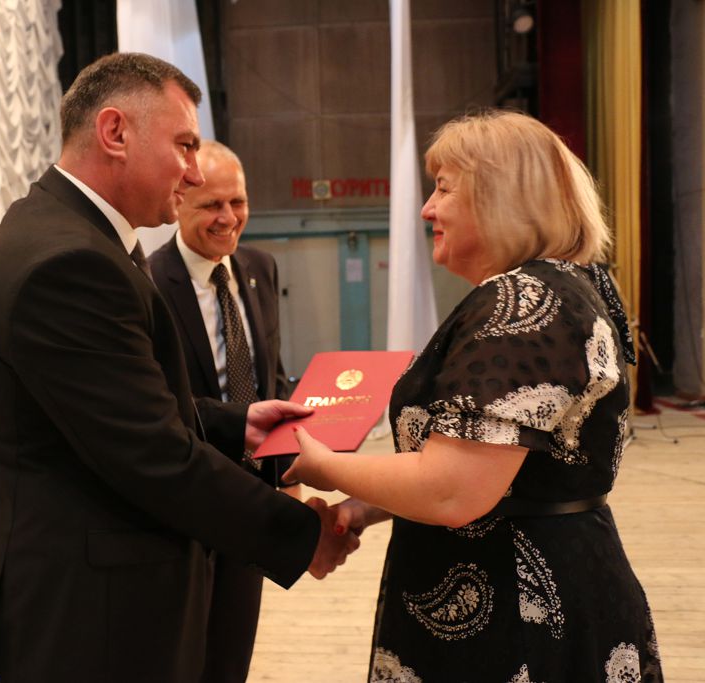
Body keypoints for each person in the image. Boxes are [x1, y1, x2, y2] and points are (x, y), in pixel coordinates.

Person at [0, 52, 358, 683]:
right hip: (91, 615)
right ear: (115, 132)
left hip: (98, 595)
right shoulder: (70, 263)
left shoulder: (70, 233)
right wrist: (301, 533)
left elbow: (118, 404)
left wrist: (233, 424)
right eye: (184, 145)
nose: (193, 172)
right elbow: (153, 455)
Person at [284, 110, 663, 682]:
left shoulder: (521, 304)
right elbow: (500, 467)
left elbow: (453, 490)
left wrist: (322, 464)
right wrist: (366, 505)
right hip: (537, 584)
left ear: (501, 196)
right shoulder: (559, 287)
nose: (426, 209)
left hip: (515, 612)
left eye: (443, 189)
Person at [148, 140, 296, 682]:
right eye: (212, 204)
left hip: (252, 500)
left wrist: (287, 473)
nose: (228, 217)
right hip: (185, 504)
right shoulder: (146, 283)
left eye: (238, 201)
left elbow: (269, 374)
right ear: (179, 202)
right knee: (181, 657)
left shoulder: (260, 267)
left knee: (232, 654)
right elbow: (157, 404)